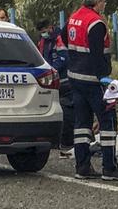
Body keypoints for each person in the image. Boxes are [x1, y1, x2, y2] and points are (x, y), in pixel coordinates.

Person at [67, 0, 118, 181]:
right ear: (97, 3)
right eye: (103, 1)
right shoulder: (95, 22)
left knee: (81, 124)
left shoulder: (75, 17)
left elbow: (65, 37)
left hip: (75, 78)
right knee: (108, 121)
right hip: (94, 81)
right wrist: (104, 77)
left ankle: (82, 166)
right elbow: (97, 53)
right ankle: (109, 167)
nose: (104, 5)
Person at [36, 19, 73, 158]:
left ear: (50, 27)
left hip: (63, 80)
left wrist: (51, 70)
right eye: (41, 32)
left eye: (45, 30)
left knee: (66, 110)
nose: (44, 33)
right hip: (50, 80)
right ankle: (58, 140)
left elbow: (64, 58)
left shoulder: (58, 38)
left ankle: (66, 140)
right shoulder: (42, 41)